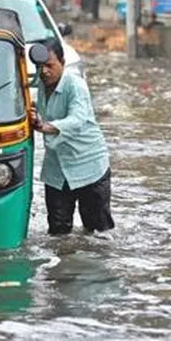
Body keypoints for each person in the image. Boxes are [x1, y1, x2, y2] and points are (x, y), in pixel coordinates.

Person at [29, 39, 114, 236]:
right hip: (57, 170)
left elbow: (77, 119)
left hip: (89, 167)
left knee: (97, 232)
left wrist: (44, 126)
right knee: (58, 233)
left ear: (63, 62)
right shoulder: (40, 87)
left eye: (50, 66)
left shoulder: (75, 85)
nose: (45, 72)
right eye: (40, 67)